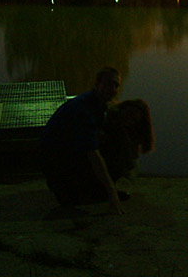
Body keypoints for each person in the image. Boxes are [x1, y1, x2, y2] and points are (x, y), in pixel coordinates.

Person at [39, 67, 127, 215]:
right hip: (56, 161)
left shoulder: (97, 103)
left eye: (116, 85)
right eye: (108, 84)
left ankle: (95, 190)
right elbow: (93, 154)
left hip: (68, 152)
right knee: (103, 155)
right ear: (97, 84)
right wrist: (112, 193)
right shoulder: (83, 109)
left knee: (117, 142)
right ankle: (71, 192)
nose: (112, 89)